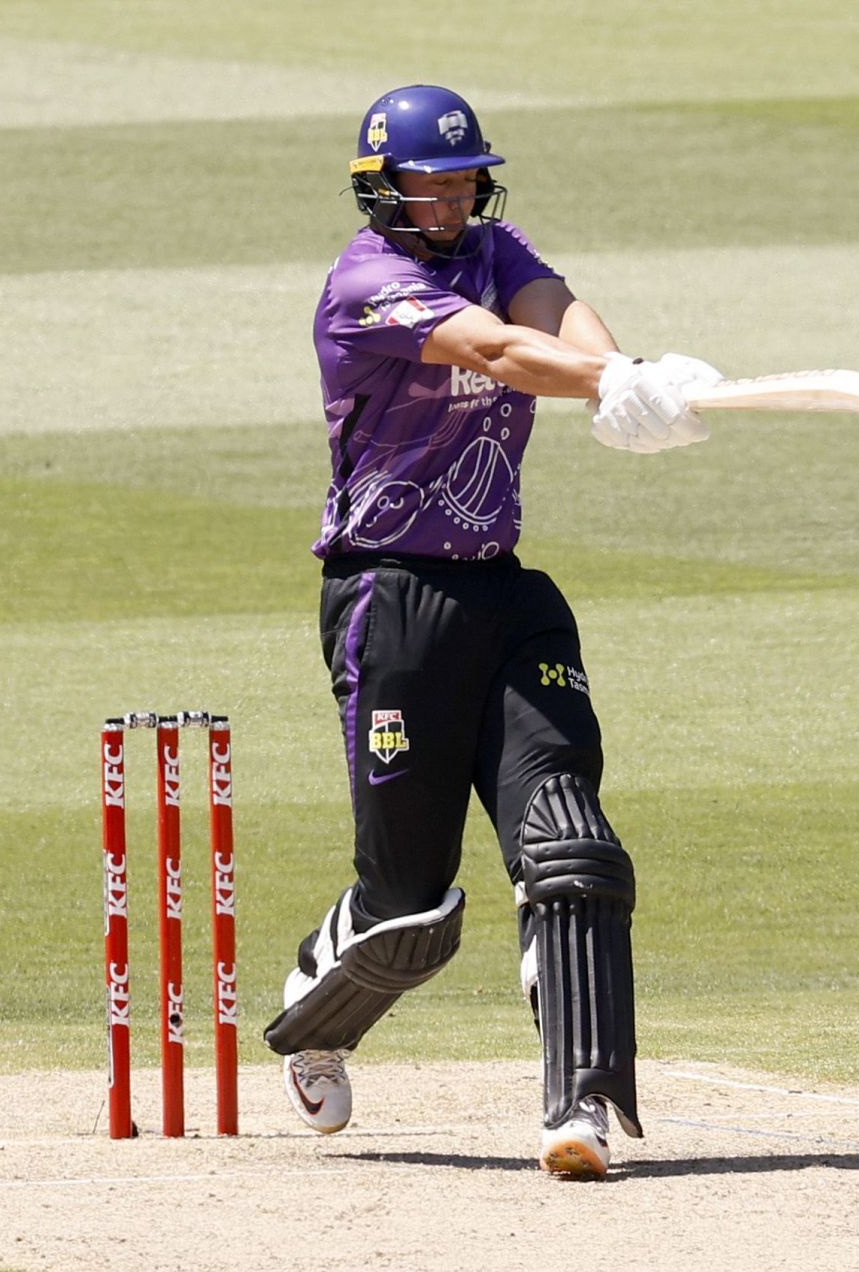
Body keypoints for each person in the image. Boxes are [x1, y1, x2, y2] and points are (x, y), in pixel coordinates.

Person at [260, 83, 719, 1180]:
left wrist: (620, 378)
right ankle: (316, 1016)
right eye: (434, 180)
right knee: (411, 907)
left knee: (571, 844)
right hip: (393, 601)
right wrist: (618, 380)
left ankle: (582, 1105)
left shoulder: (494, 242)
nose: (456, 195)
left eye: (468, 176)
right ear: (385, 188)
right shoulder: (365, 285)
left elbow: (553, 313)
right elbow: (502, 354)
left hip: (504, 593)